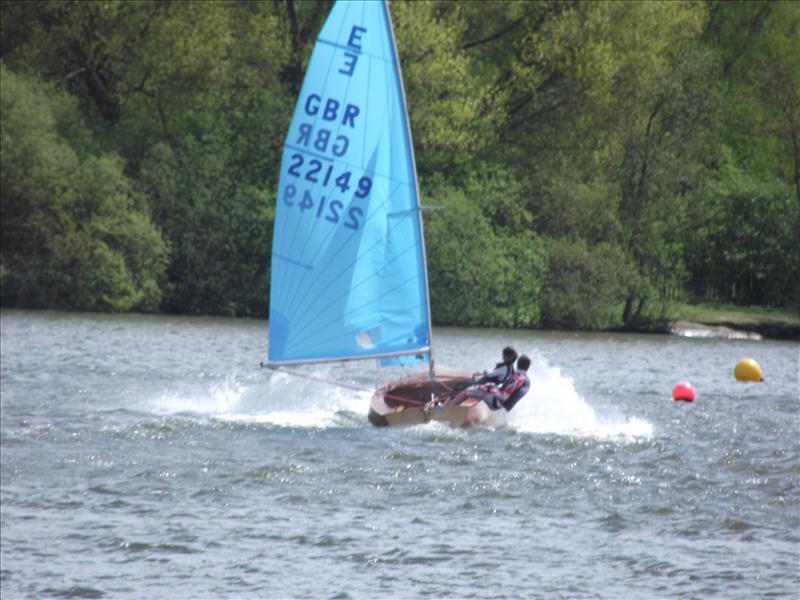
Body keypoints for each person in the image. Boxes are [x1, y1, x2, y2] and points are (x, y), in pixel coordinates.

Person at [446, 354, 531, 412]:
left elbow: (504, 396)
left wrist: (490, 388)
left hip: (497, 403)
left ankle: (447, 411)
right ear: (528, 367)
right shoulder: (527, 381)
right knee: (479, 390)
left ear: (518, 364)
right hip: (505, 408)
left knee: (467, 390)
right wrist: (494, 387)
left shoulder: (518, 377)